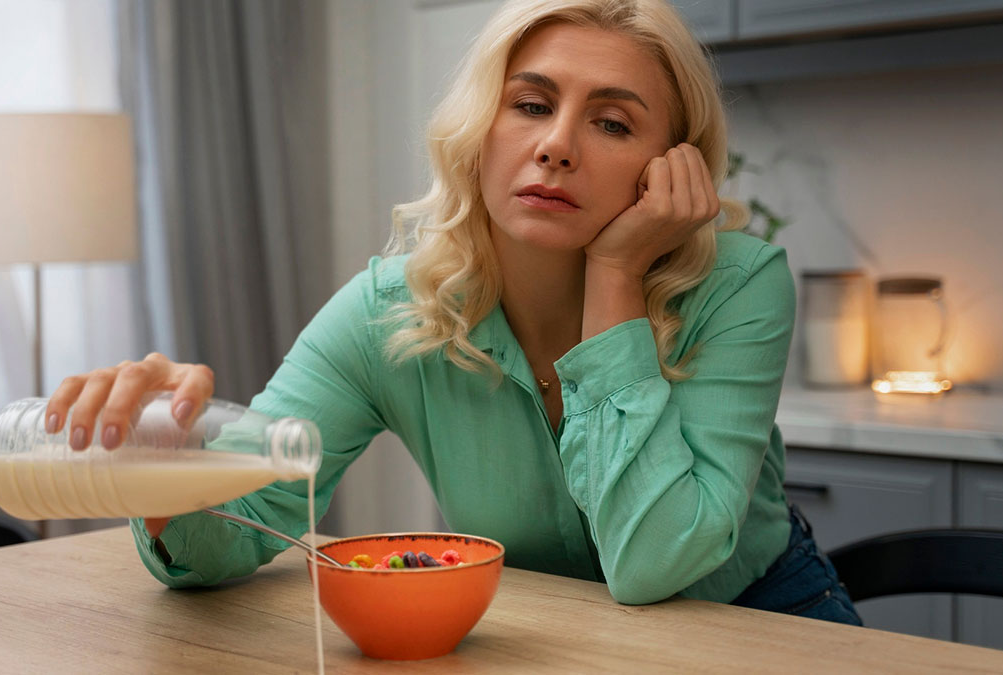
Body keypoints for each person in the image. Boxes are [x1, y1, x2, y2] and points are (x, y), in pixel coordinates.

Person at [44, 0, 861, 624]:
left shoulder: (740, 284)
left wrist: (616, 272)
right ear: (480, 130)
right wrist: (164, 463)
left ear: (668, 169)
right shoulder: (390, 310)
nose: (557, 144)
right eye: (531, 105)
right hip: (542, 639)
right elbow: (250, 516)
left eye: (612, 123)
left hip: (759, 620)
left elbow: (653, 564)